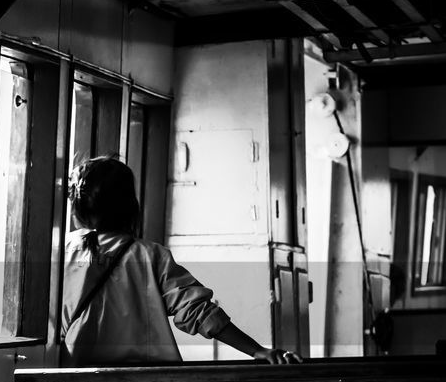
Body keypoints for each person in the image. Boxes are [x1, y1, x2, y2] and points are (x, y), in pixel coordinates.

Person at [61, 156, 300, 366]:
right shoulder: (149, 255)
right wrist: (257, 350)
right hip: (146, 379)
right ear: (129, 206)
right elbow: (199, 312)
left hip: (75, 375)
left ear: (78, 207)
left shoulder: (61, 254)